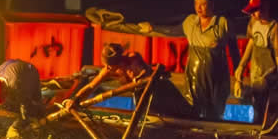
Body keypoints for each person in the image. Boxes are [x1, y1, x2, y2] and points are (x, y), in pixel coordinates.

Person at [63, 43, 194, 118]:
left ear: (118, 61)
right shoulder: (109, 70)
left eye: (110, 65)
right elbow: (91, 86)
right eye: (107, 66)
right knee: (154, 121)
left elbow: (144, 73)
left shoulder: (133, 58)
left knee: (183, 114)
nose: (108, 68)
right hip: (142, 95)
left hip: (159, 88)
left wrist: (138, 77)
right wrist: (76, 99)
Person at [182, 0, 240, 119]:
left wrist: (238, 78)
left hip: (215, 82)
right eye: (196, 3)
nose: (199, 7)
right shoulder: (190, 22)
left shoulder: (222, 24)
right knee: (192, 116)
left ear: (212, 4)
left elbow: (234, 51)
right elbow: (172, 30)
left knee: (213, 116)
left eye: (203, 4)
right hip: (194, 82)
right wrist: (152, 27)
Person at [233, 0, 278, 121]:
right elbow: (251, 43)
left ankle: (262, 123)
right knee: (255, 100)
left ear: (265, 8)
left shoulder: (273, 26)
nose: (253, 14)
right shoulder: (253, 22)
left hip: (268, 72)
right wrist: (241, 65)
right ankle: (252, 124)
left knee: (263, 98)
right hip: (255, 70)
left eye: (255, 11)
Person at [0, 59, 45, 138]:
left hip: (29, 71)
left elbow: (25, 110)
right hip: (11, 67)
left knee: (35, 102)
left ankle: (41, 116)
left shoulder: (17, 86)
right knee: (8, 105)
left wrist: (14, 127)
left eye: (1, 95)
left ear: (3, 85)